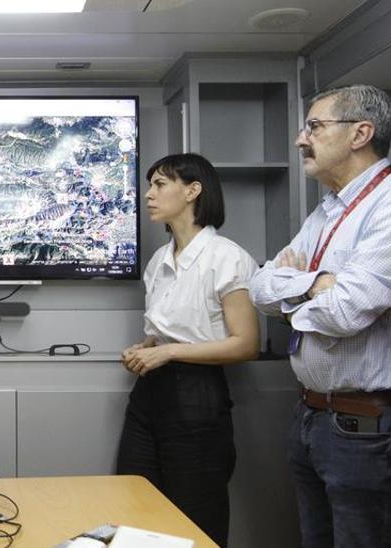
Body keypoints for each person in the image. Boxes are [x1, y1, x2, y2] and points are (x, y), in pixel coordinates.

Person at [249, 84, 391, 548]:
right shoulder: (327, 210)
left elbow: (346, 311)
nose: (300, 139)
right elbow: (259, 287)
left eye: (314, 126)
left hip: (367, 428)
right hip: (314, 414)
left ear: (360, 133)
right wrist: (317, 283)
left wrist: (298, 291)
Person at [116, 153, 258, 547]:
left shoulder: (226, 257)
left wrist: (169, 353)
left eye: (161, 184)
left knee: (196, 520)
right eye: (151, 185)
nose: (149, 195)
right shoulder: (159, 260)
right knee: (134, 507)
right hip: (149, 397)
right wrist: (145, 348)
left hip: (197, 399)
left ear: (193, 190)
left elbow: (245, 344)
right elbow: (167, 331)